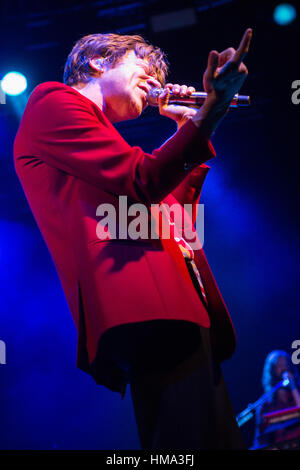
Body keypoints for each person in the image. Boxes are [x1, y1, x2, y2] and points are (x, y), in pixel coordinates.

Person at [13, 29, 252, 449]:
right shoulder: (53, 101)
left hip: (175, 301)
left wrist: (190, 123)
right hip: (147, 305)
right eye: (143, 67)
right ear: (99, 62)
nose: (155, 81)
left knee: (213, 441)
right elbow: (142, 181)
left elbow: (163, 214)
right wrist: (209, 112)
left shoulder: (101, 139)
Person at [253, 350, 300, 449]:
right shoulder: (265, 404)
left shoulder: (296, 394)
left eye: (285, 364)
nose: (283, 368)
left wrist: (293, 385)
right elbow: (260, 440)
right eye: (279, 365)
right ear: (272, 370)